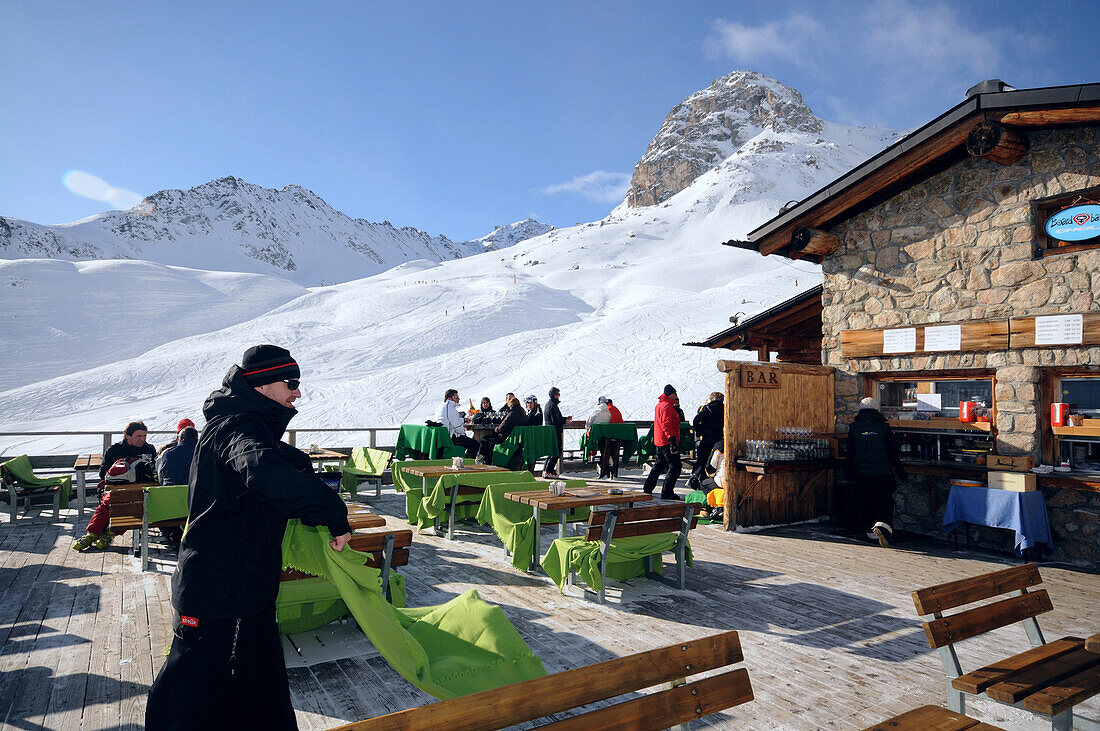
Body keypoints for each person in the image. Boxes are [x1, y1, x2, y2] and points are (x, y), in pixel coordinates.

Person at [146, 345, 351, 730]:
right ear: (261, 386)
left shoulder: (243, 423)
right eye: (291, 383)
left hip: (246, 586)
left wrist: (301, 467)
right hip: (219, 591)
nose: (297, 393)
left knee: (257, 689)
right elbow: (263, 471)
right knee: (188, 695)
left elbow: (269, 463)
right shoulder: (237, 426)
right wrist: (334, 515)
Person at [72, 421, 157, 552]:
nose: (142, 439)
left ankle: (104, 533)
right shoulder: (115, 450)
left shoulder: (149, 449)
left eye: (144, 436)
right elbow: (103, 473)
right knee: (113, 501)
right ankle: (95, 533)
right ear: (127, 436)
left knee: (132, 503)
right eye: (139, 436)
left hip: (141, 489)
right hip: (117, 489)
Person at [845, 396, 906, 548]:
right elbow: (893, 453)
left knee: (865, 503)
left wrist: (848, 472)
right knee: (884, 502)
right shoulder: (884, 427)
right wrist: (901, 472)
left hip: (861, 473)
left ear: (860, 410)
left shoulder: (854, 428)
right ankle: (883, 529)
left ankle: (870, 532)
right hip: (882, 473)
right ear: (876, 410)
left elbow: (850, 453)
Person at [155, 426, 198, 549]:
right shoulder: (204, 452)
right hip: (196, 505)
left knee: (163, 511)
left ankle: (174, 538)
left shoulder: (168, 453)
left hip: (171, 508)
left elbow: (161, 477)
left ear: (180, 439)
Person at [642, 385, 682, 500]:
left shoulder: (660, 405)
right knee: (675, 466)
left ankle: (648, 488)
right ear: (670, 394)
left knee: (659, 465)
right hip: (667, 441)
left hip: (660, 440)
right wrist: (672, 439)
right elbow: (667, 424)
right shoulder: (667, 406)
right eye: (675, 394)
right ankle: (667, 491)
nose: (676, 396)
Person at [687, 392, 724, 491]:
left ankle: (696, 479)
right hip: (720, 439)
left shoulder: (705, 408)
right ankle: (710, 482)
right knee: (715, 461)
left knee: (702, 460)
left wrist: (700, 432)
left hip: (707, 438)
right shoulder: (725, 408)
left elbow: (696, 421)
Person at [478, 395, 525, 464]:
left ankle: (485, 459)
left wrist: (495, 430)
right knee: (489, 439)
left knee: (486, 439)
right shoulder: (523, 414)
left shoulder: (511, 415)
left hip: (505, 438)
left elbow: (501, 428)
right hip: (516, 439)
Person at [434, 388, 479, 457]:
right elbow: (457, 427)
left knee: (470, 442)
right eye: (456, 397)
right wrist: (464, 435)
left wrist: (463, 420)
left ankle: (466, 459)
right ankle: (468, 462)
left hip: (443, 435)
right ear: (450, 398)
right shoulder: (450, 408)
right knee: (475, 444)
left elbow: (449, 420)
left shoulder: (442, 406)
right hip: (450, 437)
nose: (459, 399)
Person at [585, 397, 620, 479]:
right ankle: (610, 468)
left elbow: (588, 422)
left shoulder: (597, 411)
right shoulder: (608, 412)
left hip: (597, 436)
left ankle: (602, 466)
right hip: (608, 436)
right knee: (609, 450)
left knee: (602, 449)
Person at [542, 387, 570, 477]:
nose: (559, 396)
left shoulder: (550, 404)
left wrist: (565, 419)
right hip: (554, 432)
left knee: (552, 451)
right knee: (556, 451)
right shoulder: (552, 406)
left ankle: (546, 470)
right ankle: (549, 471)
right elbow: (555, 421)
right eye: (558, 394)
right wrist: (564, 421)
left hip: (551, 432)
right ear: (554, 395)